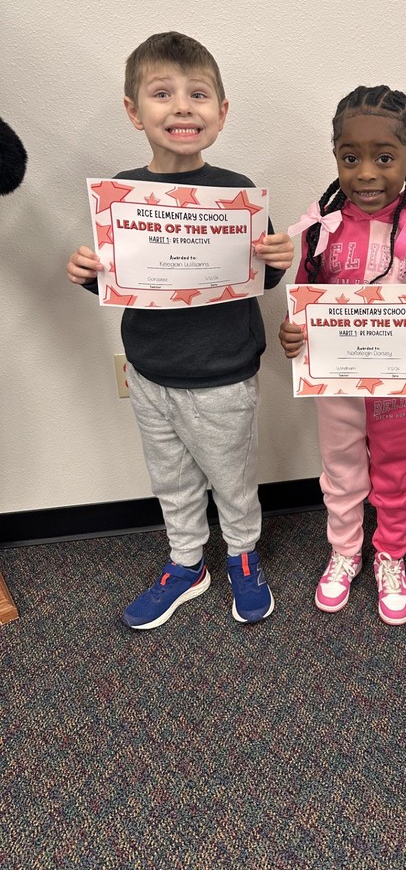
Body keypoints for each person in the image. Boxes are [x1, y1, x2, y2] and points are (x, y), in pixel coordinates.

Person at [66, 31, 293, 630]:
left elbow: (261, 282)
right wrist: (89, 273)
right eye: (162, 93)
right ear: (133, 110)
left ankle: (242, 554)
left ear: (221, 113)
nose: (182, 107)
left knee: (233, 478)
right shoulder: (124, 193)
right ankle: (186, 562)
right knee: (171, 478)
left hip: (223, 373)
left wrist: (278, 257)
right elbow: (121, 282)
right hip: (149, 371)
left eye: (198, 94)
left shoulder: (239, 192)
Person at [279, 85, 406, 625]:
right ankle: (344, 550)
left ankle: (390, 555)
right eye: (350, 157)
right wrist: (294, 333)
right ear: (334, 155)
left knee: (393, 471)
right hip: (335, 385)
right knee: (340, 470)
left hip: (402, 389)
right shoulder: (321, 227)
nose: (366, 173)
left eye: (384, 158)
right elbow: (302, 301)